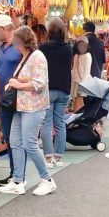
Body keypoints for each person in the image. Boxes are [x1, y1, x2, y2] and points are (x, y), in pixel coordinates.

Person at [0, 26, 57, 196]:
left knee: (30, 144)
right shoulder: (26, 57)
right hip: (21, 106)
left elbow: (40, 83)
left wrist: (18, 84)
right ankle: (17, 180)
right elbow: (30, 79)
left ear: (23, 42)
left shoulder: (37, 56)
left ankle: (47, 179)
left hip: (33, 107)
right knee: (16, 141)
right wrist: (15, 82)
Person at [0, 14, 22, 187]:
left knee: (18, 138)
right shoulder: (0, 49)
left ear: (3, 29)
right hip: (5, 100)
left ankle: (18, 175)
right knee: (8, 136)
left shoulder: (19, 46)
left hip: (20, 98)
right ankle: (14, 174)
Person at [40, 17, 74, 168]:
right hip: (64, 88)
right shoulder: (68, 48)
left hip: (48, 88)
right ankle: (58, 157)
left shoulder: (43, 48)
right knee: (60, 123)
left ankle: (48, 158)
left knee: (46, 123)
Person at [71, 37, 92, 112]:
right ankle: (79, 118)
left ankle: (77, 118)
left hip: (82, 82)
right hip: (75, 82)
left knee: (78, 102)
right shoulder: (76, 55)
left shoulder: (87, 55)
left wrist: (82, 86)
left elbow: (87, 72)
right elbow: (74, 70)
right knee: (78, 102)